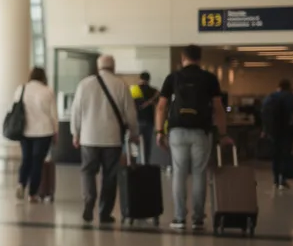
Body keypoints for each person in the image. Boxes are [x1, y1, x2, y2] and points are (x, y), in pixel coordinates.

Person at [156, 44, 230, 231]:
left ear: (183, 57)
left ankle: (180, 218)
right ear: (199, 58)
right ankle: (198, 219)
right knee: (199, 173)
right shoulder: (209, 78)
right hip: (201, 131)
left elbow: (161, 107)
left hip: (177, 131)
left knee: (179, 173)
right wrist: (222, 134)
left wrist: (159, 131)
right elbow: (218, 109)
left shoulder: (173, 77)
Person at [70, 54, 139, 225]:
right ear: (113, 67)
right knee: (110, 176)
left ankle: (89, 199)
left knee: (88, 171)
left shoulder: (84, 84)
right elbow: (130, 114)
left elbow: (76, 111)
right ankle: (104, 212)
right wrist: (135, 134)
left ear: (98, 67)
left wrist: (75, 133)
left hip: (89, 137)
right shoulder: (121, 85)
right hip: (112, 139)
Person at [14, 67, 57, 203]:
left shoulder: (21, 89)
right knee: (37, 162)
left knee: (26, 159)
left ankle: (21, 183)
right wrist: (56, 132)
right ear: (43, 77)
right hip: (44, 131)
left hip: (25, 130)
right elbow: (53, 115)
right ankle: (32, 194)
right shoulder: (48, 91)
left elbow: (14, 107)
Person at [261, 79, 293, 190]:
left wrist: (265, 130)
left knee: (275, 155)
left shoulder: (270, 97)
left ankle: (275, 179)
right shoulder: (291, 97)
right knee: (285, 154)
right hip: (287, 131)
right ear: (289, 87)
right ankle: (283, 179)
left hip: (273, 131)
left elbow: (264, 114)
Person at [133, 71, 160, 163]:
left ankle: (135, 165)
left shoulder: (133, 90)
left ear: (140, 78)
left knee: (135, 146)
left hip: (136, 122)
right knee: (147, 146)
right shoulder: (154, 91)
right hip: (149, 122)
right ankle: (146, 165)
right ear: (149, 80)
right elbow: (159, 106)